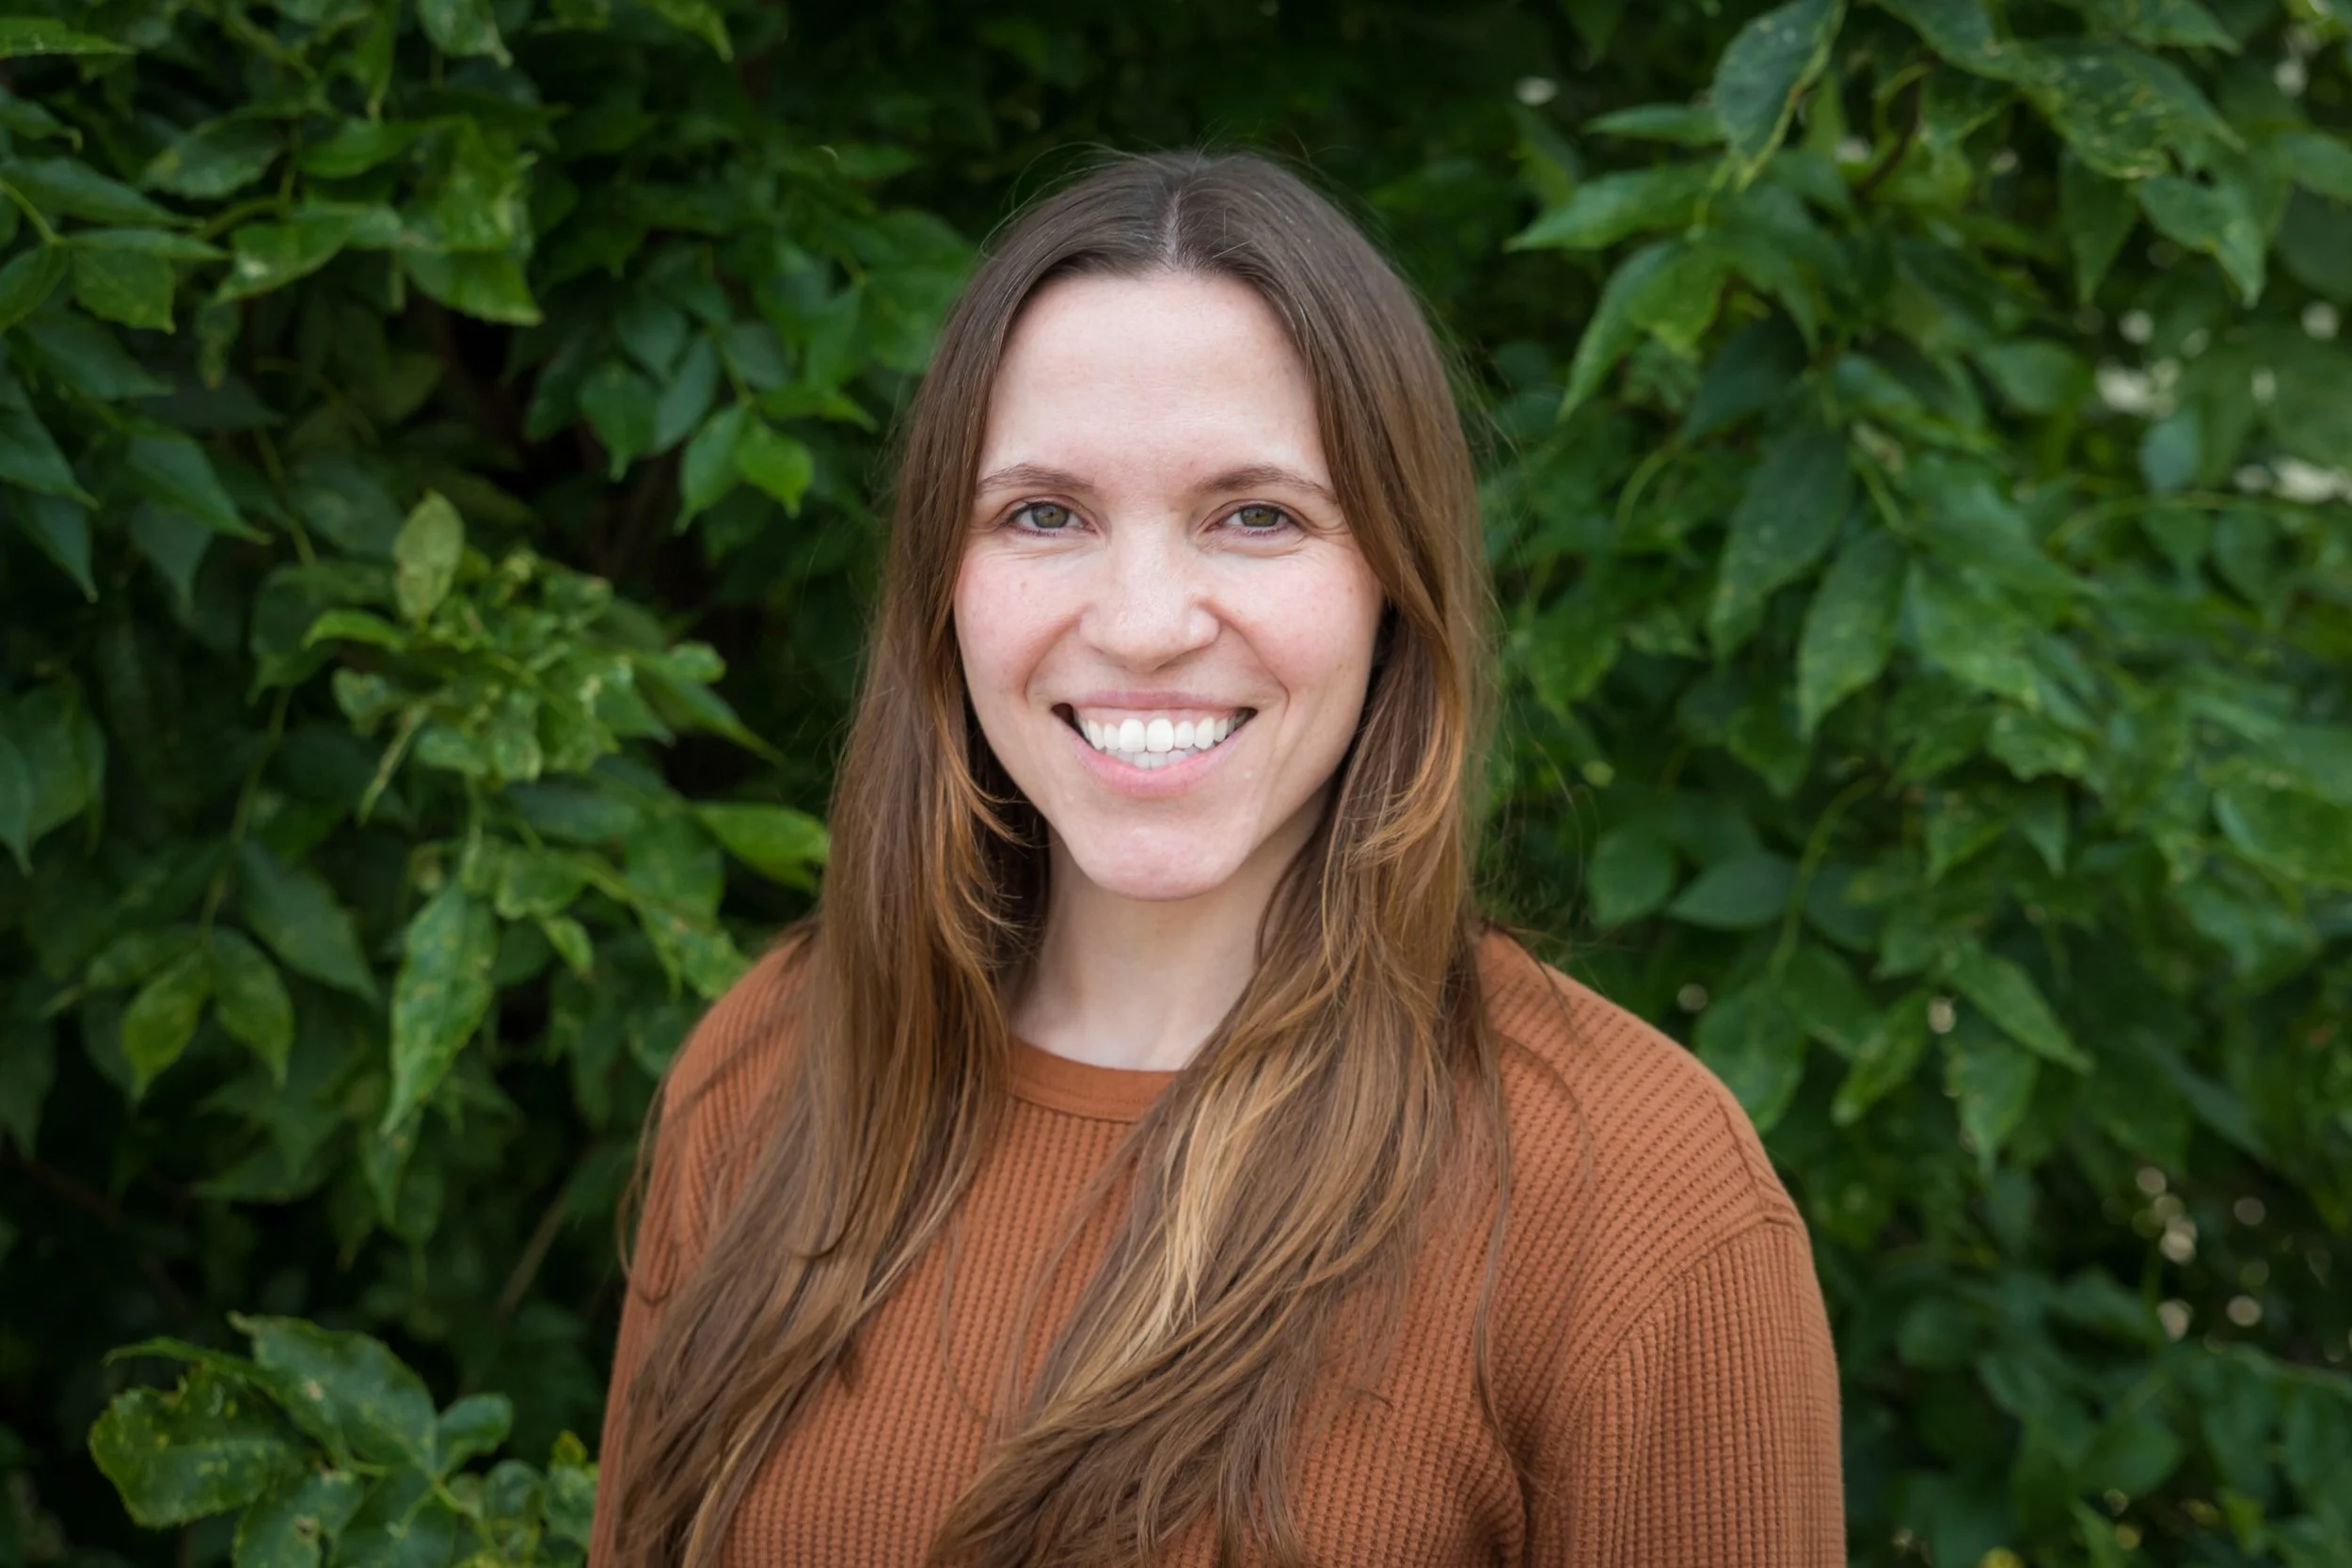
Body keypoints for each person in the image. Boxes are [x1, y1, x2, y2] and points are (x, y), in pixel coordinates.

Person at [589, 150, 1842, 1568]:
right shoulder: (770, 1074)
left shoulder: (1634, 1199)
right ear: (943, 580)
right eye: (1043, 513)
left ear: (1394, 584)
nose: (1140, 622)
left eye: (1256, 515)